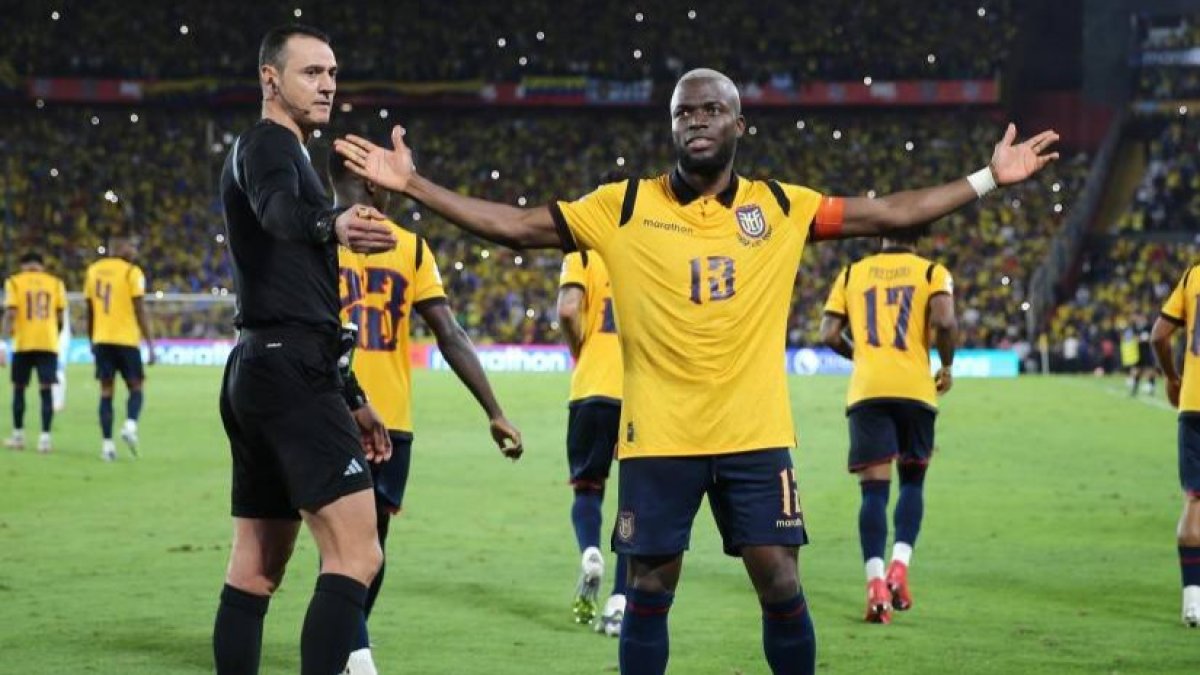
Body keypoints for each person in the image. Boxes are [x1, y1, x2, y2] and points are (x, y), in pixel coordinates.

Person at [335, 68, 1059, 674]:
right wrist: (416, 186)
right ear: (672, 127)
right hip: (659, 438)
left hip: (755, 435)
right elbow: (516, 227)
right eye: (685, 112)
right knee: (650, 586)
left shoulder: (783, 206)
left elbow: (894, 212)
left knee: (781, 581)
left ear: (740, 123)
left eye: (712, 109)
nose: (697, 120)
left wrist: (989, 178)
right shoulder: (621, 206)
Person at [211, 24, 401, 675]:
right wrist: (334, 221)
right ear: (271, 78)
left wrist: (351, 394)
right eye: (312, 72)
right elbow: (277, 212)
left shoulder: (280, 150)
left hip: (259, 367)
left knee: (256, 567)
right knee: (357, 554)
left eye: (333, 73)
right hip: (290, 370)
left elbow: (304, 295)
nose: (327, 85)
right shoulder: (269, 144)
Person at [328, 149, 524, 674]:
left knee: (360, 549)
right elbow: (450, 334)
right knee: (360, 548)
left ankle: (346, 647)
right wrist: (494, 409)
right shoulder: (410, 248)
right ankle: (356, 654)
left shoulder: (316, 239)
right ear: (374, 184)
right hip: (384, 421)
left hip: (332, 413)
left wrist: (494, 409)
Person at [818, 227, 958, 624]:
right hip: (916, 391)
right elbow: (945, 321)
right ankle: (900, 565)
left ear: (881, 233)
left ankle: (875, 585)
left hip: (868, 393)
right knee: (912, 482)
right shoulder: (931, 272)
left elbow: (828, 333)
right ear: (921, 233)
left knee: (873, 493)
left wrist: (862, 357)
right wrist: (947, 365)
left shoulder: (851, 273)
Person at [558, 248, 628, 636]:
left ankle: (590, 550)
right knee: (637, 501)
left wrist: (579, 351)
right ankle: (619, 602)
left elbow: (568, 310)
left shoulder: (583, 256)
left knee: (587, 488)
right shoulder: (648, 245)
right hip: (639, 392)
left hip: (590, 389)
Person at [1150, 266, 1200, 627]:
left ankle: (1193, 603)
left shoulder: (1193, 276)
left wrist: (1172, 378)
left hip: (1194, 404)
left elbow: (1159, 336)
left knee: (1194, 502)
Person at [84, 236, 157, 461]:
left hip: (102, 340)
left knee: (106, 391)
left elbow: (90, 310)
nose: (134, 250)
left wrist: (91, 339)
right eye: (131, 246)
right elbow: (140, 309)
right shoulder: (132, 272)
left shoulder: (93, 271)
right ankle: (130, 425)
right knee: (136, 386)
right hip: (126, 340)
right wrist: (150, 343)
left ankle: (107, 446)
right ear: (119, 248)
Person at [1, 252, 67, 453]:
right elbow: (60, 316)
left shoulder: (14, 282)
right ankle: (45, 439)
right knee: (46, 390)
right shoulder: (55, 283)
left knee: (19, 389)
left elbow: (11, 313)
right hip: (48, 343)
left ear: (23, 265)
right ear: (41, 265)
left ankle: (18, 436)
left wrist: (3, 342)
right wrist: (54, 334)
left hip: (23, 343)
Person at [1131, 313, 1158, 397]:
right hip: (1137, 352)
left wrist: (1145, 339)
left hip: (1147, 351)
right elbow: (1133, 337)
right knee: (1137, 370)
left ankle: (1151, 387)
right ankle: (1134, 388)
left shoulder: (1149, 326)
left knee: (1150, 370)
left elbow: (1153, 337)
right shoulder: (1135, 327)